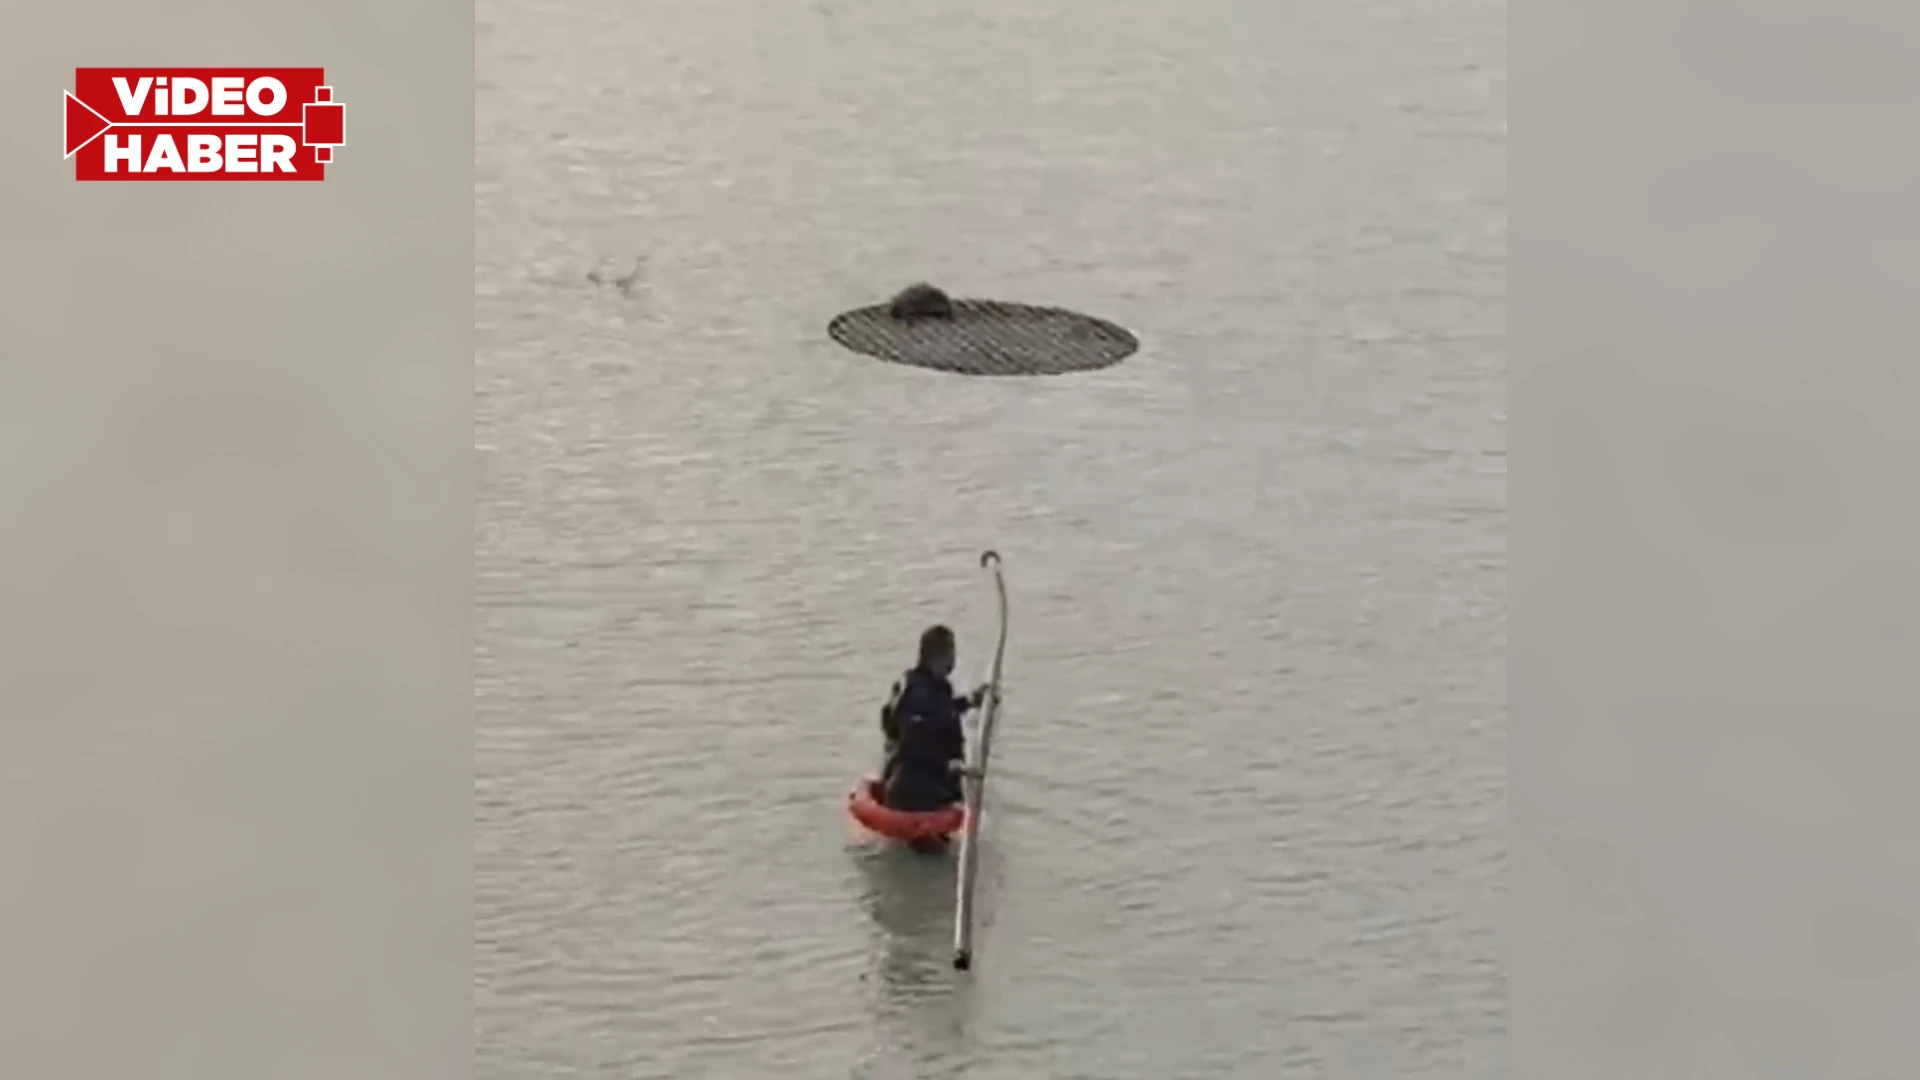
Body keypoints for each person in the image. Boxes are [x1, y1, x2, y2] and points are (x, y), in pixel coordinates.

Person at [878, 625, 989, 814]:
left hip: (902, 785)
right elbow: (918, 738)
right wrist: (954, 766)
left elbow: (937, 713)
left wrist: (969, 701)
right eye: (952, 654)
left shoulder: (914, 687)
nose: (954, 661)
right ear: (942, 657)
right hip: (925, 794)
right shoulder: (923, 696)